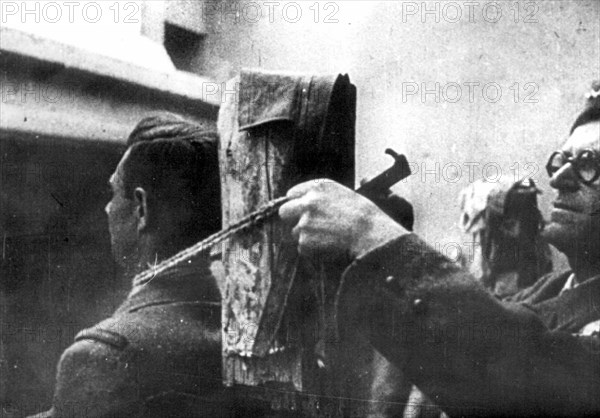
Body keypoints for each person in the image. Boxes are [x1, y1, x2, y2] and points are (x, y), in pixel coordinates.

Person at [279, 82, 600, 416]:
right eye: (562, 159)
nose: (559, 178)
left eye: (589, 162)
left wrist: (370, 231)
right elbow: (477, 336)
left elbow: (515, 371)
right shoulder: (550, 290)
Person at [30, 114, 232, 417]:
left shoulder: (105, 356)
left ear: (141, 209)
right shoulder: (235, 327)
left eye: (114, 192)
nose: (108, 207)